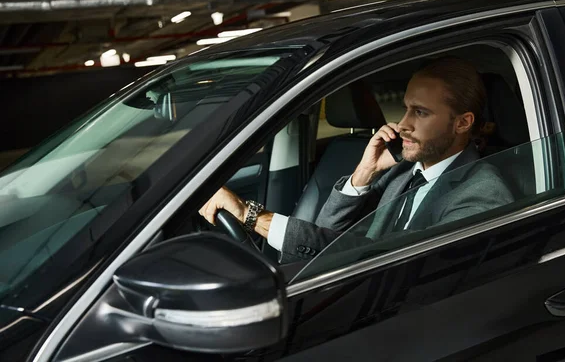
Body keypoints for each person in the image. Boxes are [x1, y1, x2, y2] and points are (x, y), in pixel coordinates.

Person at [200, 56, 514, 263]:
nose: (402, 124)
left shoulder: (482, 192)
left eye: (420, 112)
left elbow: (381, 260)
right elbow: (325, 234)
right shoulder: (404, 170)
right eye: (405, 108)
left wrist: (250, 214)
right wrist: (364, 174)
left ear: (462, 123)